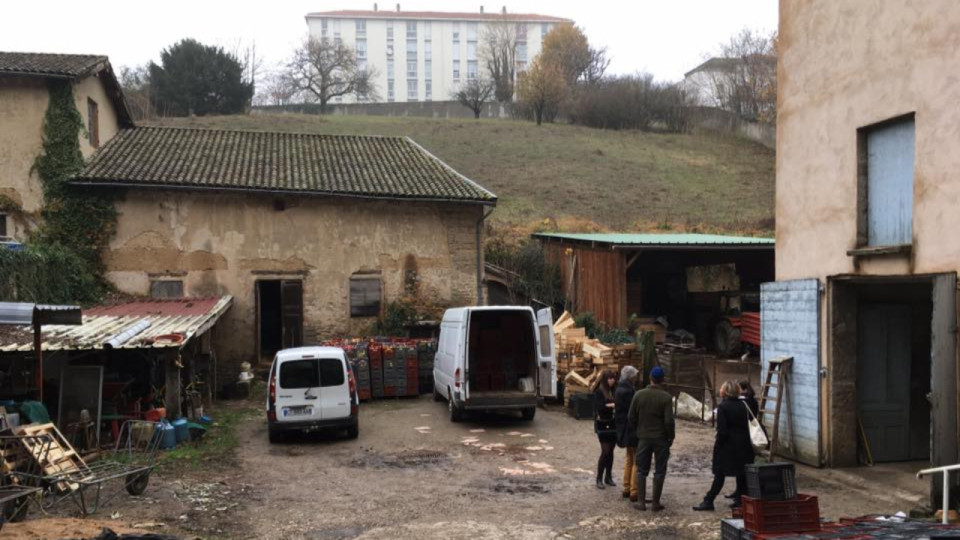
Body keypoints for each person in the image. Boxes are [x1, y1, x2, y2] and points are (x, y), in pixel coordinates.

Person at [693, 380, 755, 511]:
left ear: (725, 391)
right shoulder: (744, 405)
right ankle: (741, 501)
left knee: (720, 474)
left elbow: (722, 430)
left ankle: (709, 500)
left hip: (727, 446)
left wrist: (719, 444)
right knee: (741, 474)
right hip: (744, 444)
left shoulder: (723, 407)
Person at [627, 365, 674, 511]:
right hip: (661, 439)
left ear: (650, 378)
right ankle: (655, 502)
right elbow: (669, 421)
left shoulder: (639, 395)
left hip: (644, 438)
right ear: (662, 380)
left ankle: (641, 502)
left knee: (641, 470)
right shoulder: (666, 398)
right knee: (660, 470)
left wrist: (639, 429)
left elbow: (631, 417)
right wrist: (670, 437)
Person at [724, 379, 761, 501]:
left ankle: (741, 494)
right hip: (748, 437)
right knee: (742, 469)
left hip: (745, 438)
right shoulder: (751, 401)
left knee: (741, 470)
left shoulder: (744, 403)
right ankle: (739, 492)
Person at [614, 366, 640, 501]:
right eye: (635, 375)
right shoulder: (629, 391)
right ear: (630, 376)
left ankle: (626, 487)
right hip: (631, 429)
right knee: (636, 460)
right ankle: (634, 491)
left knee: (629, 458)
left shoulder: (619, 389)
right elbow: (633, 411)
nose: (636, 377)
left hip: (624, 428)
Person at [592, 369, 618, 489]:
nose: (612, 381)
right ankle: (599, 478)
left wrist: (611, 406)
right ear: (605, 379)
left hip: (613, 424)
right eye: (610, 378)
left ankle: (608, 476)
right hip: (603, 424)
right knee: (605, 451)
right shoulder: (600, 391)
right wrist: (613, 405)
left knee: (611, 451)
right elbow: (600, 407)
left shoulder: (614, 391)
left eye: (613, 378)